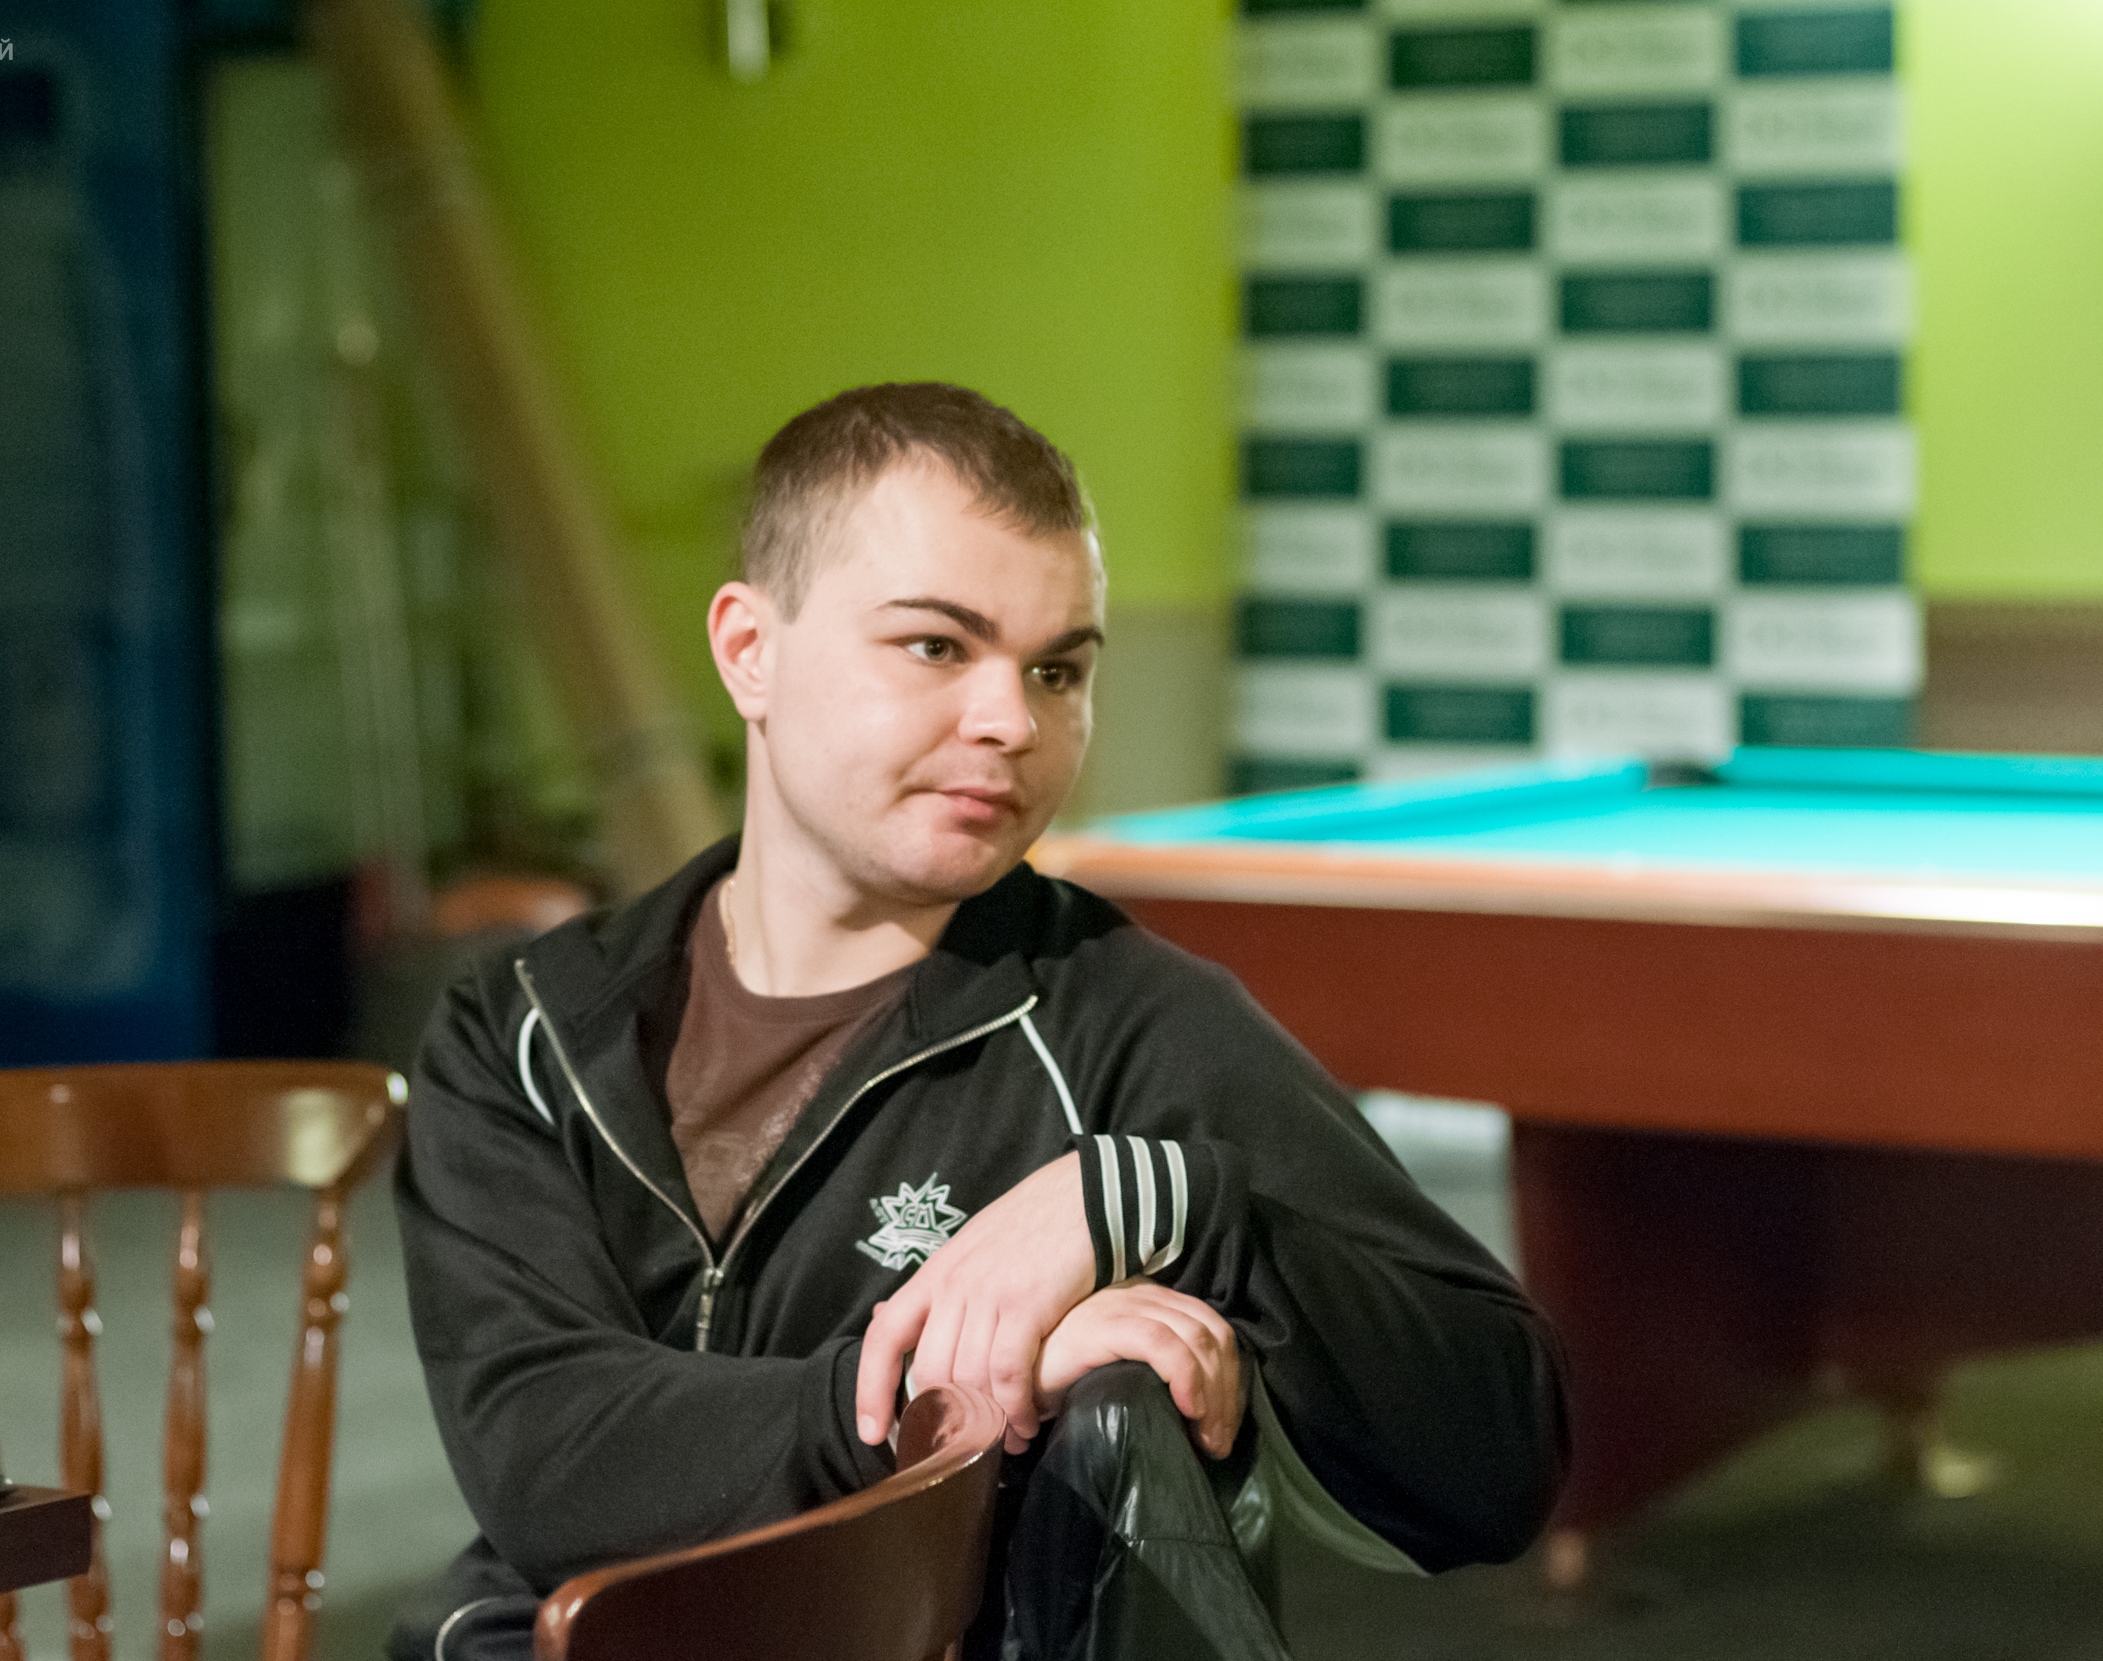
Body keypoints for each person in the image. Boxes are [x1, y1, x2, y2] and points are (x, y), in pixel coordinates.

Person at [387, 383, 1568, 1661]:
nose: (1013, 719)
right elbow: (554, 1459)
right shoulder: (525, 1028)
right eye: (938, 647)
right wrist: (950, 1396)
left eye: (1058, 669)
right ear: (749, 650)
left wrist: (1165, 1200)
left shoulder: (1131, 1017)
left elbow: (1501, 1444)